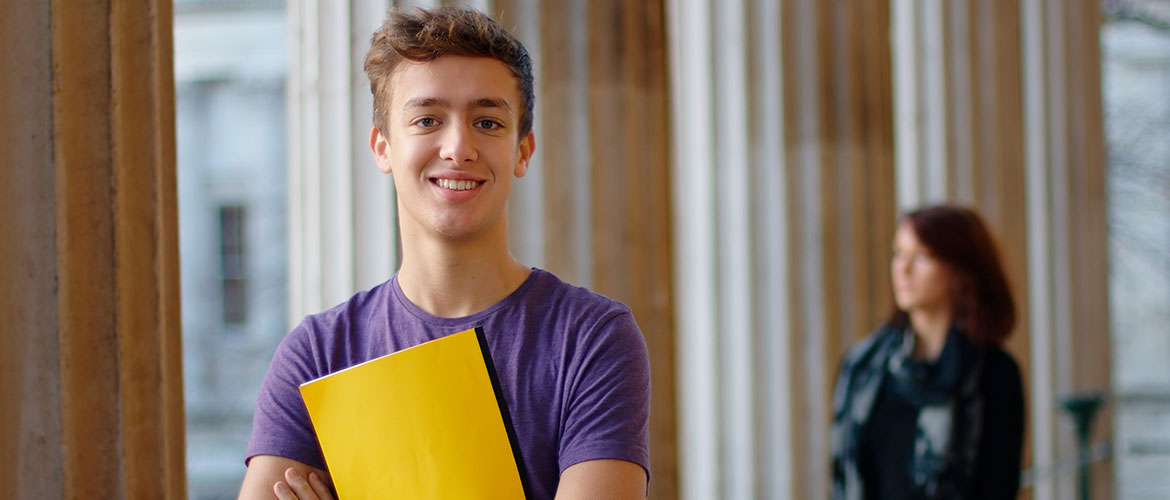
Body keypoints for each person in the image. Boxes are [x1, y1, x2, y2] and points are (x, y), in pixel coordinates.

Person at [237, 6, 650, 500]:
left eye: (488, 122)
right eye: (428, 119)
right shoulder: (318, 354)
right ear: (383, 147)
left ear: (522, 151)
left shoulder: (591, 339)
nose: (458, 147)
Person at [830, 205, 1025, 500]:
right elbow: (842, 478)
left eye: (922, 256)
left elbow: (998, 487)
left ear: (960, 270)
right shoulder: (862, 366)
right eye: (899, 253)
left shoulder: (994, 373)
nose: (903, 269)